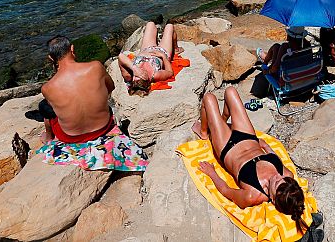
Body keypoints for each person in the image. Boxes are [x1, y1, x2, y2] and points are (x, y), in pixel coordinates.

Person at [193, 86, 307, 231]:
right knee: (230, 91)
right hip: (248, 138)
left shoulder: (252, 195)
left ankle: (204, 132)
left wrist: (212, 173)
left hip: (227, 147)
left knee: (209, 98)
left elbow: (226, 190)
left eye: (276, 182)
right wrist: (266, 147)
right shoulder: (287, 176)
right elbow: (276, 158)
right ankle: (220, 121)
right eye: (281, 178)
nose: (277, 176)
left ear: (272, 199)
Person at [37, 36, 148, 171]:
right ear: (72, 49)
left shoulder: (47, 88)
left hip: (70, 137)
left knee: (45, 107)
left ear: (51, 58)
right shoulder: (96, 66)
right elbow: (110, 88)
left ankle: (49, 137)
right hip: (103, 128)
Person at [117, 22, 180, 94]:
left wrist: (135, 68)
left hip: (146, 48)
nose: (135, 76)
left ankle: (158, 37)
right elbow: (170, 73)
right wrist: (163, 57)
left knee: (150, 24)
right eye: (138, 77)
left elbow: (121, 56)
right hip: (162, 51)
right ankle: (176, 48)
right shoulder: (155, 75)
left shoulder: (129, 76)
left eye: (134, 78)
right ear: (146, 78)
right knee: (169, 26)